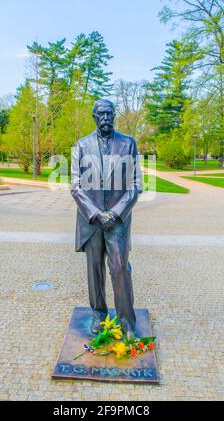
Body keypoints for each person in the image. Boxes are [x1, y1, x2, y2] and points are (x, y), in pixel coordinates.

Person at [71, 99, 142, 340]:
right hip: (91, 221)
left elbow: (135, 185)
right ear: (94, 116)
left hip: (118, 220)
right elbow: (76, 187)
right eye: (101, 114)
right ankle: (98, 314)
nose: (105, 118)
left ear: (114, 116)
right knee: (95, 270)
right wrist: (96, 214)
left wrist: (115, 213)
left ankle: (127, 322)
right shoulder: (81, 146)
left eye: (109, 114)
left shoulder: (128, 144)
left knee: (120, 268)